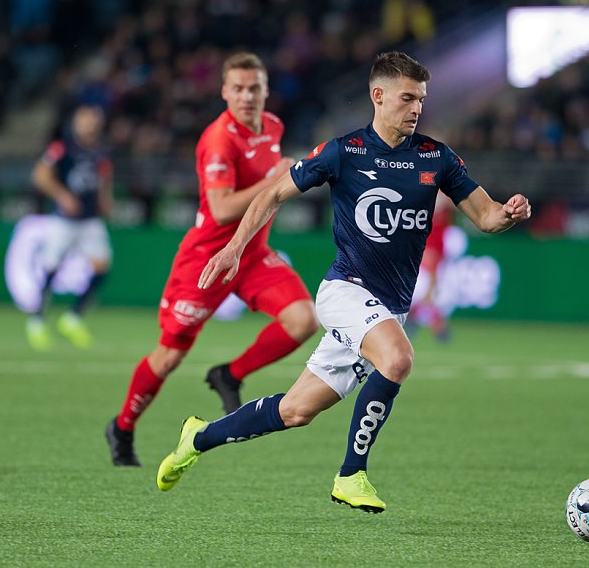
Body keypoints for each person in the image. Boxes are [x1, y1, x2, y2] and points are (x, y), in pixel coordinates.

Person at [155, 51, 531, 512]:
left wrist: (509, 213)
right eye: (407, 98)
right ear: (379, 96)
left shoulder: (437, 158)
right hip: (346, 292)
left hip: (388, 308)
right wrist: (234, 247)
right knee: (398, 358)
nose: (417, 108)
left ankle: (197, 438)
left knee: (295, 410)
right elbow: (273, 193)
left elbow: (487, 217)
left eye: (421, 100)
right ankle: (352, 474)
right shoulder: (343, 152)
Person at [105, 52, 318, 467]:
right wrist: (273, 180)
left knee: (304, 320)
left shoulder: (273, 126)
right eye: (238, 88)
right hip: (209, 260)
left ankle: (229, 374)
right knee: (169, 356)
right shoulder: (219, 139)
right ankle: (123, 426)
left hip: (252, 255)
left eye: (254, 88)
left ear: (266, 91)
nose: (246, 96)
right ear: (224, 92)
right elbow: (220, 210)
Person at [25, 104, 114, 351]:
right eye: (85, 120)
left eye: (94, 121)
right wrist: (62, 195)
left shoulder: (101, 151)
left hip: (90, 219)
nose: (90, 125)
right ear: (76, 123)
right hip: (63, 220)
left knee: (102, 267)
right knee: (51, 268)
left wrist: (105, 199)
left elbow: (104, 178)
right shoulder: (62, 148)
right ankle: (37, 320)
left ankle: (73, 317)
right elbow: (40, 175)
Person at [409, 191, 455, 341]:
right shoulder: (425, 208)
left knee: (428, 295)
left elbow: (455, 201)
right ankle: (434, 327)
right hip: (426, 252)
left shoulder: (443, 210)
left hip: (435, 252)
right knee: (423, 295)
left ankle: (434, 327)